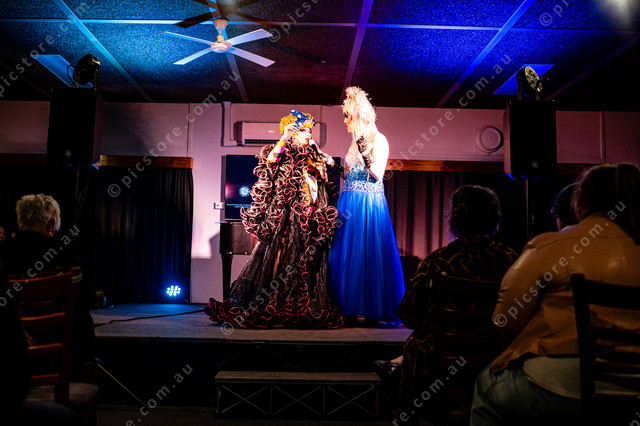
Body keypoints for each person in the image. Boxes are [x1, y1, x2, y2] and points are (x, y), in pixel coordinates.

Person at [471, 163, 640, 425]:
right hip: (633, 389)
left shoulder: (550, 244)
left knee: (487, 384)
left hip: (559, 383)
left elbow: (505, 320)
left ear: (580, 199)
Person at [390, 185, 518, 423]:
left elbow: (409, 315)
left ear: (456, 219)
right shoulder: (512, 261)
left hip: (438, 361)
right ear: (494, 219)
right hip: (495, 358)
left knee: (415, 346)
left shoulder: (438, 260)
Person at [205, 110, 344, 329]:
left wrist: (321, 168)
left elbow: (323, 183)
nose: (309, 134)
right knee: (282, 257)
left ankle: (297, 303)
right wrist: (284, 138)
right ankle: (273, 302)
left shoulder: (314, 154)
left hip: (311, 216)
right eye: (304, 131)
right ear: (293, 132)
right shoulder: (282, 149)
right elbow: (271, 163)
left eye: (310, 130)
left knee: (306, 261)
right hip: (289, 218)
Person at [326, 86, 405, 326]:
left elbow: (376, 175)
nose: (345, 121)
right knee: (348, 256)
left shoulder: (379, 139)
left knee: (369, 255)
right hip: (349, 200)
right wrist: (330, 163)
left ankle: (372, 311)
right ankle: (348, 309)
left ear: (359, 116)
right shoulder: (353, 143)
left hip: (369, 204)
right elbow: (349, 175)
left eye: (348, 116)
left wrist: (365, 151)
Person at [0, 194, 97, 369]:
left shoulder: (2, 254)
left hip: (12, 356)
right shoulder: (64, 252)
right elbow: (87, 298)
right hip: (62, 356)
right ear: (51, 225)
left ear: (20, 221)